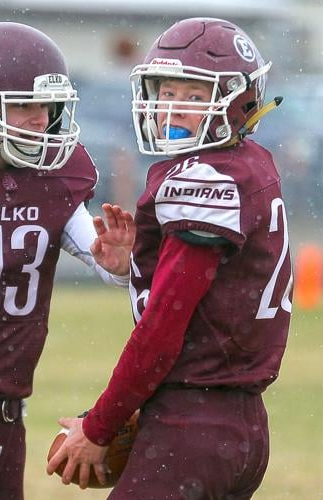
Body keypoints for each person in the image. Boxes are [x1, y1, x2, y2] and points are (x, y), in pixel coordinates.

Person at [47, 17, 293, 499]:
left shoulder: (204, 180)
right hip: (238, 425)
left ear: (238, 101)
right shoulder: (250, 163)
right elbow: (217, 291)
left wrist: (99, 426)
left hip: (194, 424)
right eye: (167, 92)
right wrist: (137, 266)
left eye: (195, 97)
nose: (172, 109)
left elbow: (161, 331)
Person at [0, 21, 135, 500]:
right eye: (22, 104)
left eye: (46, 105)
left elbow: (107, 264)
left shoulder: (56, 177)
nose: (40, 119)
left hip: (3, 416)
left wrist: (121, 265)